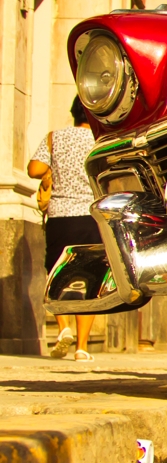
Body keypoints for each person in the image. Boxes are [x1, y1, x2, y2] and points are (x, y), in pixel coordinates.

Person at [27, 97, 98, 360]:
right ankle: (81, 347)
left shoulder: (54, 138)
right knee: (89, 277)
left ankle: (63, 327)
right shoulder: (99, 141)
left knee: (57, 273)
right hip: (91, 217)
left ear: (73, 112)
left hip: (60, 217)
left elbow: (34, 170)